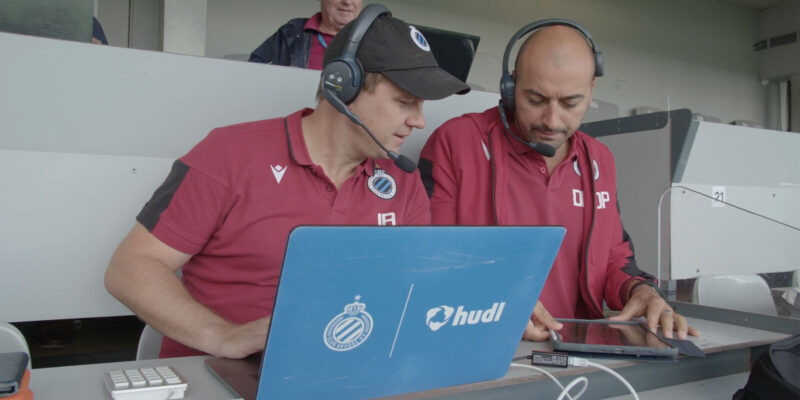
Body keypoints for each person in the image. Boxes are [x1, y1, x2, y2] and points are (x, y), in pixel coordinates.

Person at [105, 6, 469, 359]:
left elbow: (412, 287)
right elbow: (131, 267)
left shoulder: (401, 180)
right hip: (223, 372)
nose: (420, 121)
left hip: (346, 369)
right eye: (405, 102)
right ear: (344, 87)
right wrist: (222, 335)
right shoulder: (228, 155)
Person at [418, 20, 699, 342]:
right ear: (510, 86)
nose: (552, 121)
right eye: (536, 100)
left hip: (579, 351)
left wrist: (641, 291)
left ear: (591, 90)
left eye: (570, 103)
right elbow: (426, 258)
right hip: (483, 342)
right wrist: (496, 299)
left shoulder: (599, 160)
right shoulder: (457, 142)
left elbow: (613, 256)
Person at [248, 0, 362, 70]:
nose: (347, 2)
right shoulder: (291, 32)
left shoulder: (370, 39)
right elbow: (252, 69)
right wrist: (280, 76)